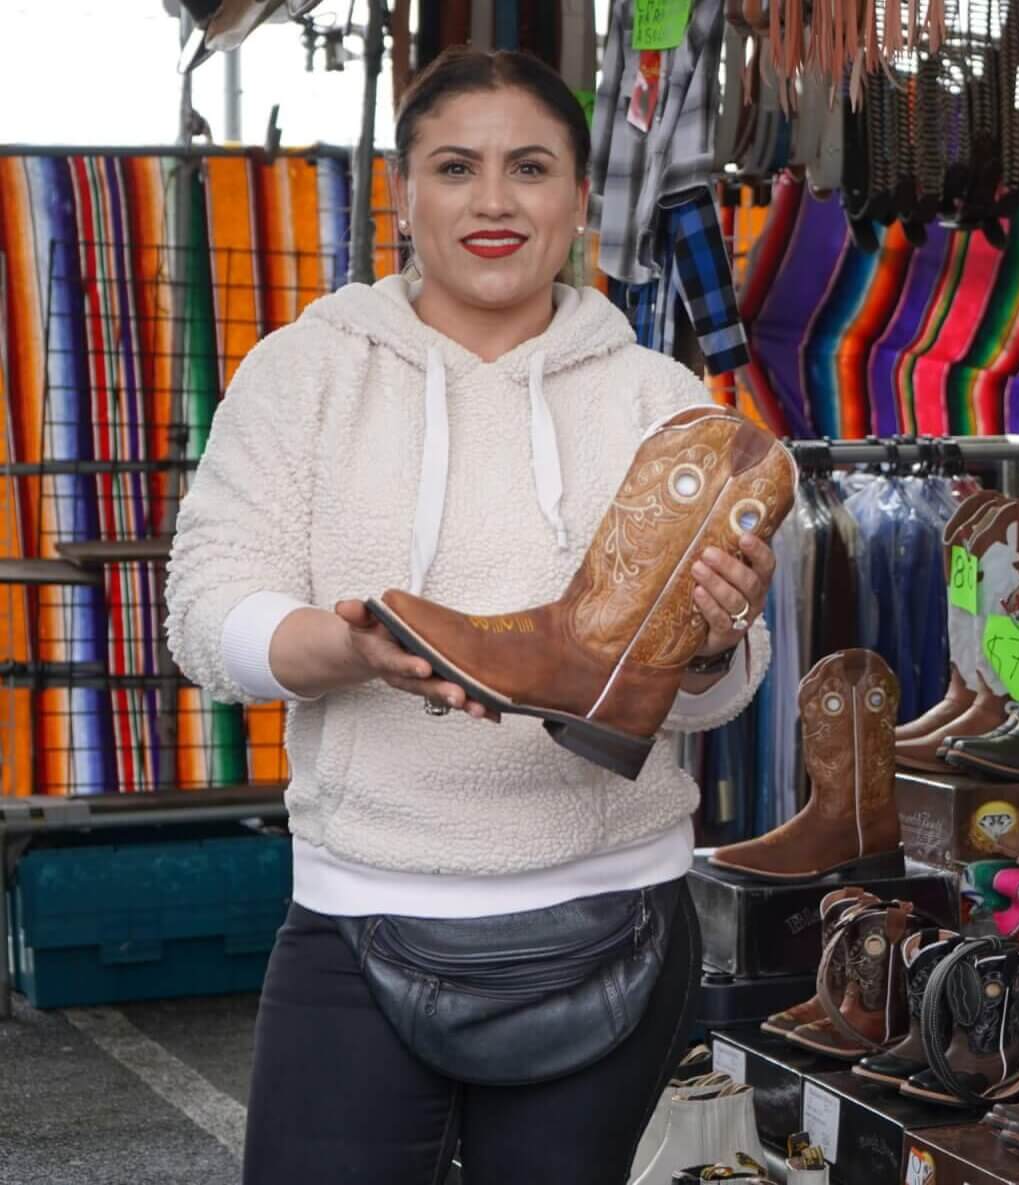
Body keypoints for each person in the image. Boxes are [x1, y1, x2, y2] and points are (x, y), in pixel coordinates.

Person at [165, 46, 773, 1185]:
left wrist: (721, 636)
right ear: (404, 193)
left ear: (579, 198)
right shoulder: (304, 374)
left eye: (530, 167)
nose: (493, 201)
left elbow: (722, 692)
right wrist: (347, 648)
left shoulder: (661, 400)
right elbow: (206, 612)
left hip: (615, 914)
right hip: (361, 908)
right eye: (457, 166)